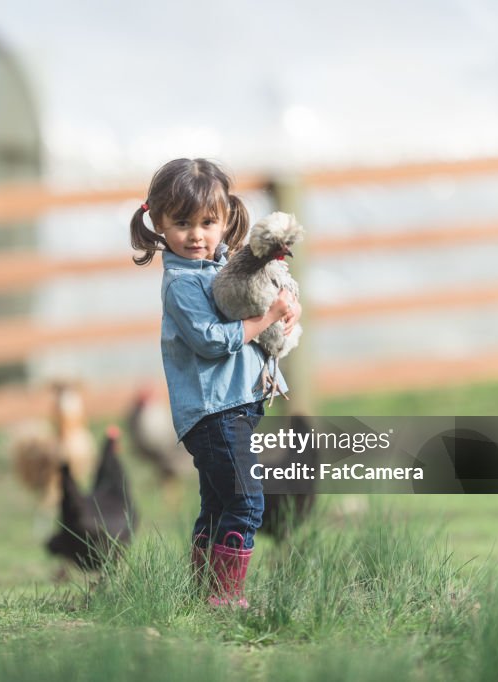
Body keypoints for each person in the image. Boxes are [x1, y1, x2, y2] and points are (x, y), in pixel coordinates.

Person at [129, 158, 300, 607]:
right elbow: (211, 341)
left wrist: (286, 305)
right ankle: (225, 596)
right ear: (159, 224)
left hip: (236, 406)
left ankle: (203, 592)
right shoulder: (182, 284)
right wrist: (266, 318)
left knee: (218, 505)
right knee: (247, 503)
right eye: (182, 223)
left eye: (208, 222)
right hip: (214, 411)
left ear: (226, 220)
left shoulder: (223, 268)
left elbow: (265, 285)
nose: (196, 234)